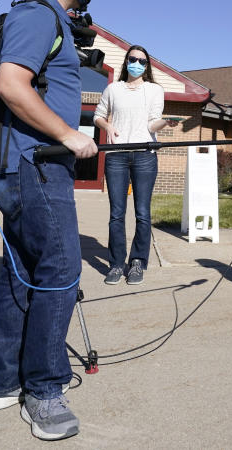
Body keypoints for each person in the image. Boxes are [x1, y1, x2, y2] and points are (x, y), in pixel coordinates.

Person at [0, 0, 101, 442]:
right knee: (60, 272)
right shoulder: (38, 14)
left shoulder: (49, 19)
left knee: (23, 271)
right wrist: (70, 135)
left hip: (25, 165)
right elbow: (11, 84)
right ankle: (45, 391)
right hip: (38, 165)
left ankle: (3, 383)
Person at [94, 46, 178, 286]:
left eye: (142, 61)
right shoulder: (113, 89)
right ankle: (117, 264)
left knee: (142, 213)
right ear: (126, 61)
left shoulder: (154, 90)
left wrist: (166, 123)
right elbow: (97, 115)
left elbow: (152, 125)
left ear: (147, 65)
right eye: (133, 59)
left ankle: (138, 262)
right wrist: (108, 127)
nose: (137, 64)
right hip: (116, 156)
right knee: (116, 213)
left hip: (144, 155)